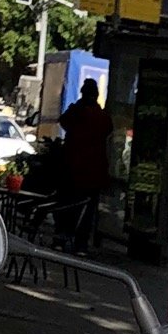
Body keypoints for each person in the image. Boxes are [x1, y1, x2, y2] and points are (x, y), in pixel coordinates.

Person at [58, 78, 111, 252]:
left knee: (67, 205)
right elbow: (108, 129)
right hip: (94, 173)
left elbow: (63, 120)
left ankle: (63, 237)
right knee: (88, 210)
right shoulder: (102, 117)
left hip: (72, 170)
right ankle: (81, 244)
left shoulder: (76, 112)